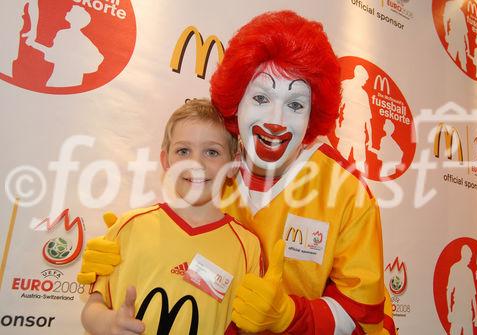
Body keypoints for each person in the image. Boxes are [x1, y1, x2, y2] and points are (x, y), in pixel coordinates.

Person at [79, 11, 396, 335]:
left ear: (314, 113)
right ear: (237, 101)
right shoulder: (214, 166)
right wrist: (124, 259)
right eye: (261, 97)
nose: (276, 119)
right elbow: (195, 265)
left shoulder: (346, 192)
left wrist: (290, 316)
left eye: (296, 105)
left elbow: (364, 319)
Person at [80, 99, 262, 335]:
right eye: (183, 151)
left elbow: (246, 327)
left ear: (234, 164)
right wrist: (109, 323)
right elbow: (92, 307)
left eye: (212, 152)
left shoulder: (247, 247)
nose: (196, 164)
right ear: (166, 160)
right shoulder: (129, 226)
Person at [25, 5, 103, 87]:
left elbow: (54, 54)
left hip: (60, 79)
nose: (67, 12)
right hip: (73, 82)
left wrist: (33, 44)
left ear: (75, 18)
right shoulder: (82, 39)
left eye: (70, 11)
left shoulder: (64, 34)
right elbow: (55, 54)